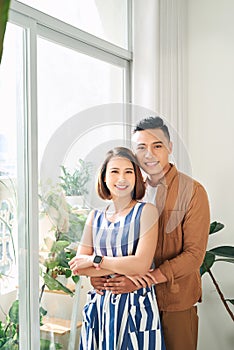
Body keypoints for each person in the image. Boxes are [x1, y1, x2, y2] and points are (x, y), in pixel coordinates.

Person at [91, 117, 210, 350]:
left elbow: (194, 255)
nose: (149, 154)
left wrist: (143, 282)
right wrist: (98, 276)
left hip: (173, 303)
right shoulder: (128, 189)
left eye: (157, 146)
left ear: (170, 148)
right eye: (141, 147)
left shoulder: (193, 192)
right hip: (129, 304)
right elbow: (112, 243)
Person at [69, 146, 165, 350]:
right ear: (104, 177)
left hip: (135, 306)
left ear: (136, 178)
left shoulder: (146, 211)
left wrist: (95, 261)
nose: (121, 178)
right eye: (114, 171)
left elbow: (141, 264)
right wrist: (126, 266)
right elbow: (79, 267)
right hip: (100, 308)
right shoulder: (94, 217)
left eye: (128, 172)